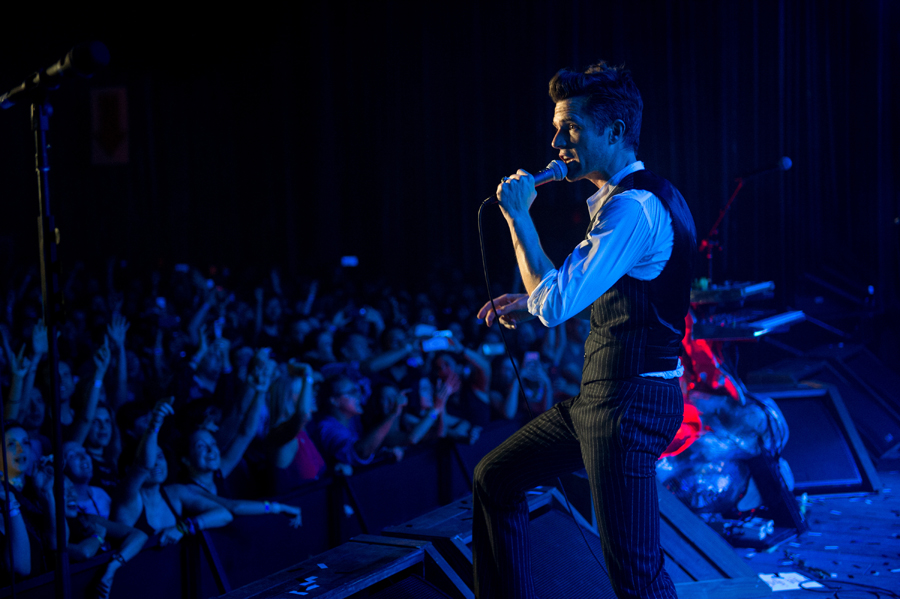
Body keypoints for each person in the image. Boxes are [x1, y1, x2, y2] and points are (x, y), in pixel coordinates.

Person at [474, 62, 696, 599]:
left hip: (627, 406)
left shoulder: (633, 208)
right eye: (557, 129)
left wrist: (517, 217)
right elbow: (574, 294)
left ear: (614, 132)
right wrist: (529, 303)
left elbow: (556, 304)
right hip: (605, 401)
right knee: (495, 479)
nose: (556, 143)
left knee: (637, 579)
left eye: (570, 128)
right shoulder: (638, 199)